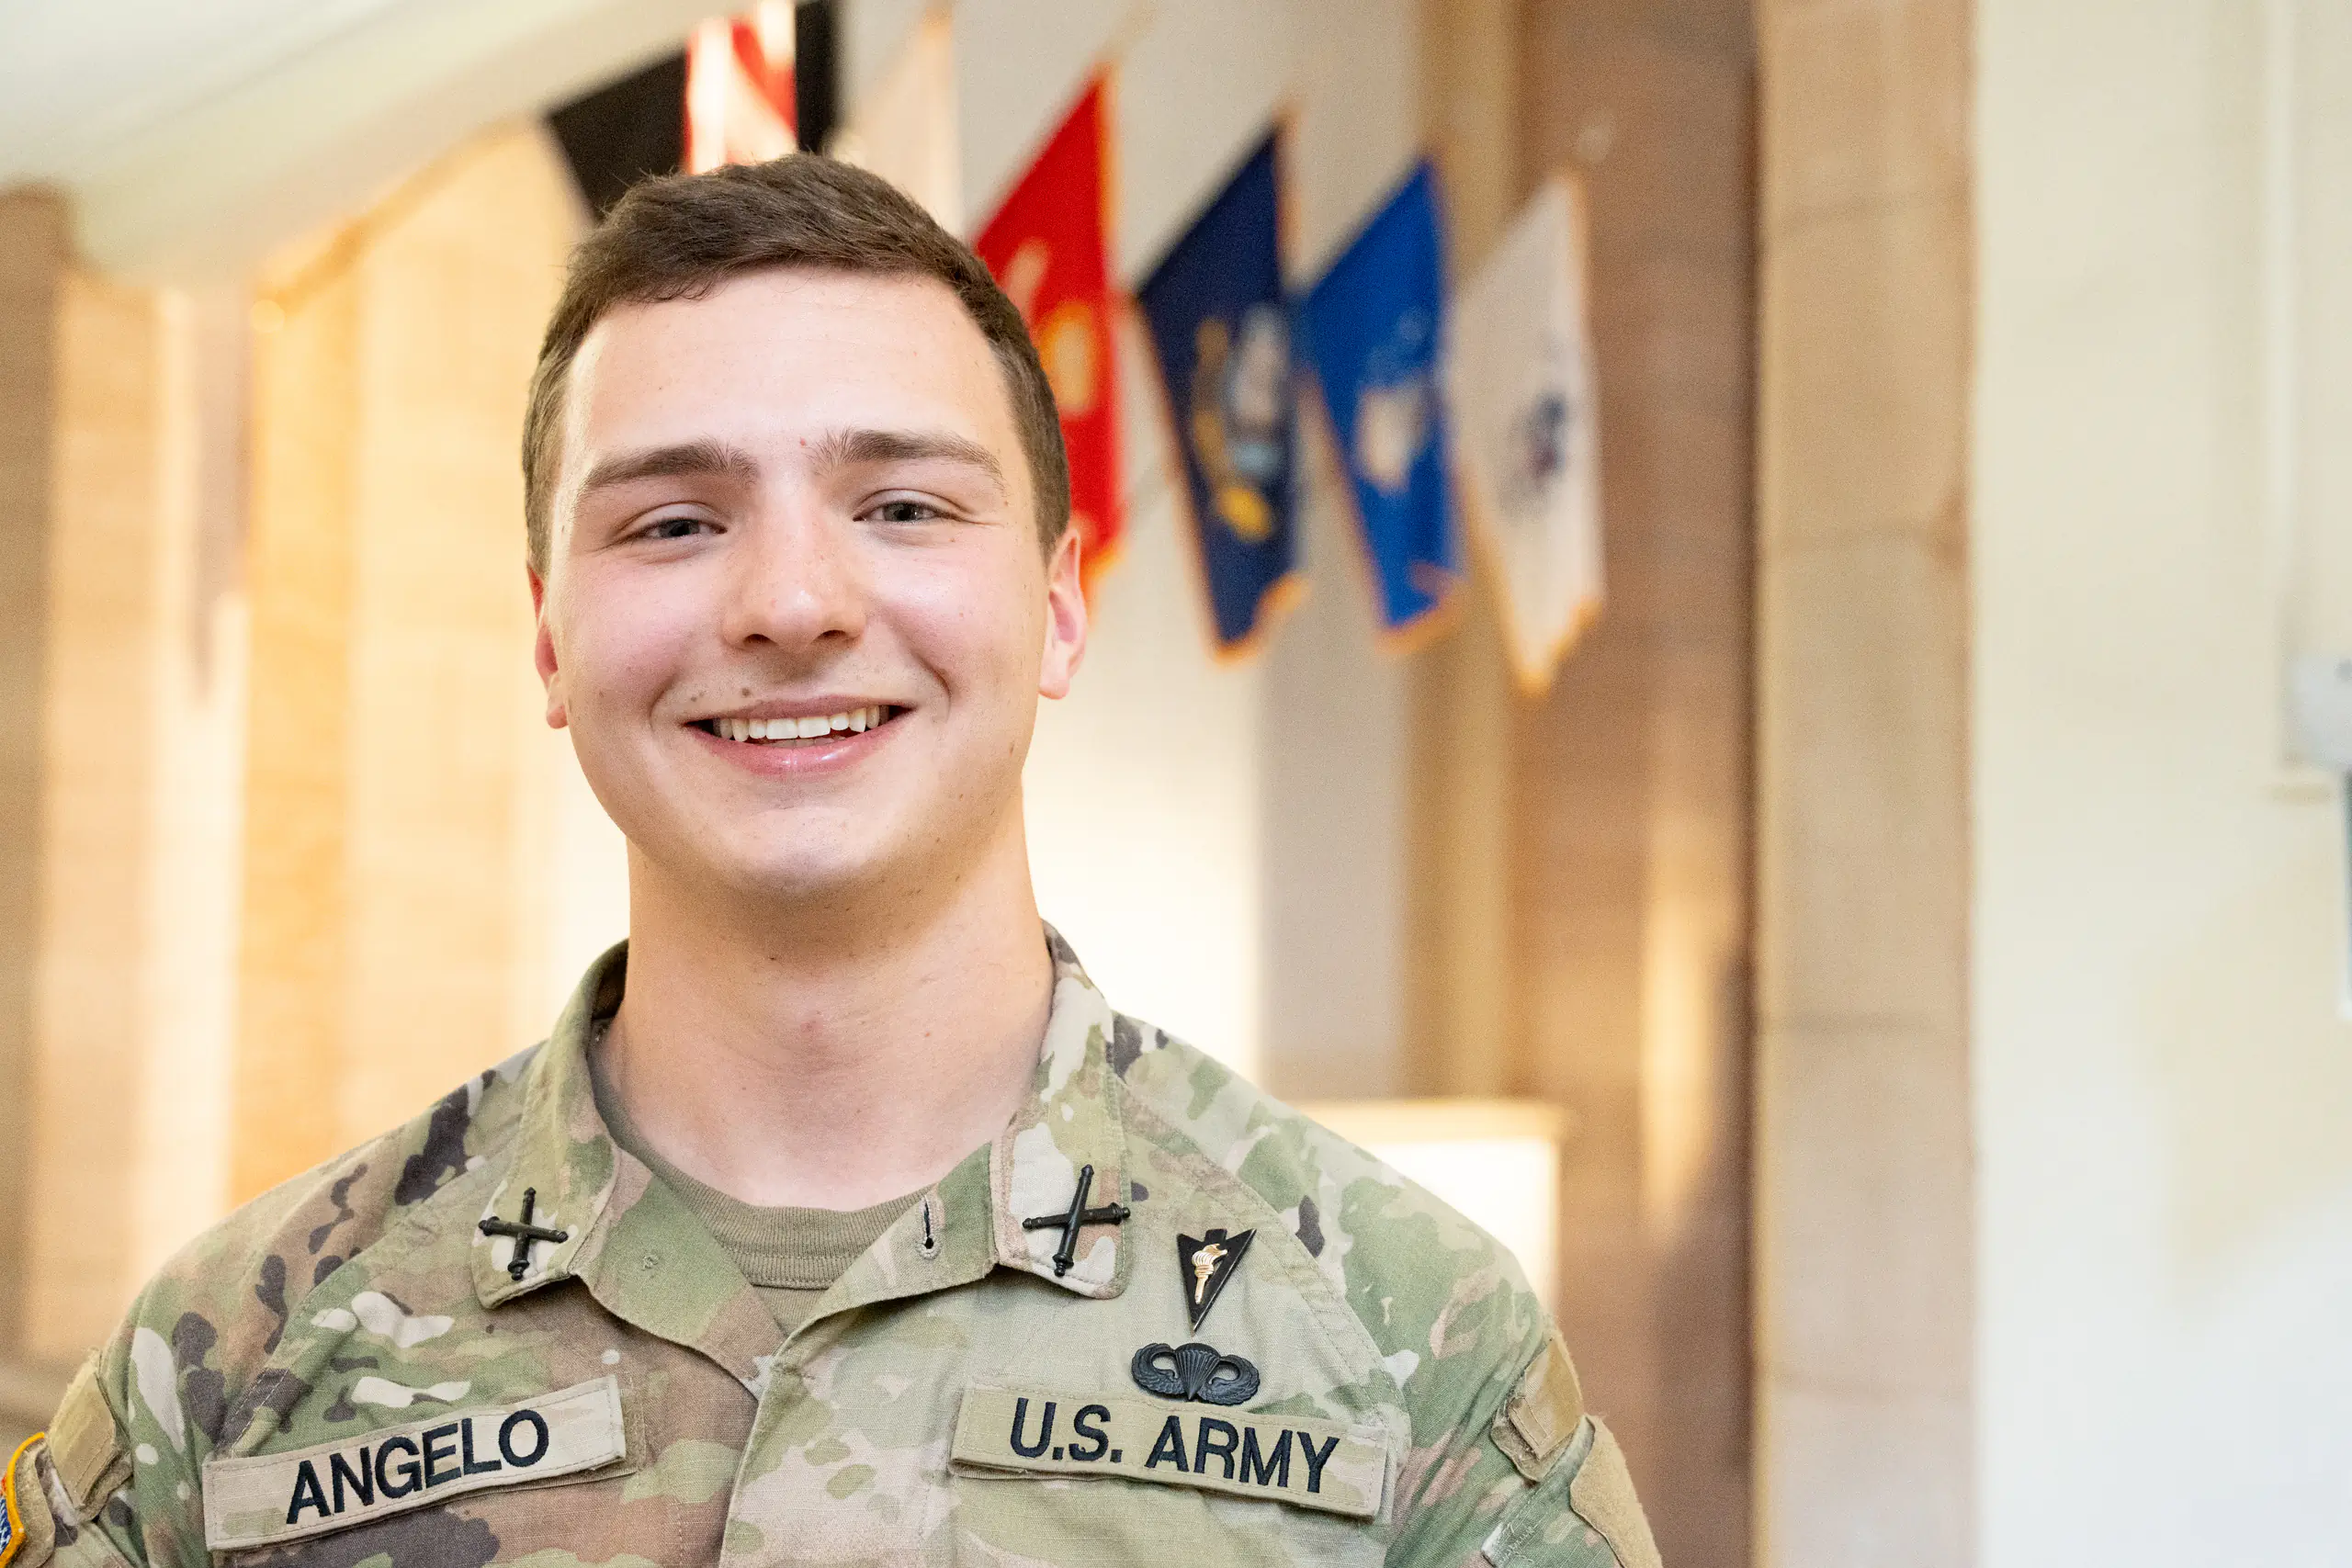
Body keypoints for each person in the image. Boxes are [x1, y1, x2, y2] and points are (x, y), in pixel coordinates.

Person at [1, 155, 1659, 1568]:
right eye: (672, 520)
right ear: (549, 641)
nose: (792, 602)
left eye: (905, 507)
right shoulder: (226, 1372)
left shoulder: (1404, 1345)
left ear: (1061, 604)